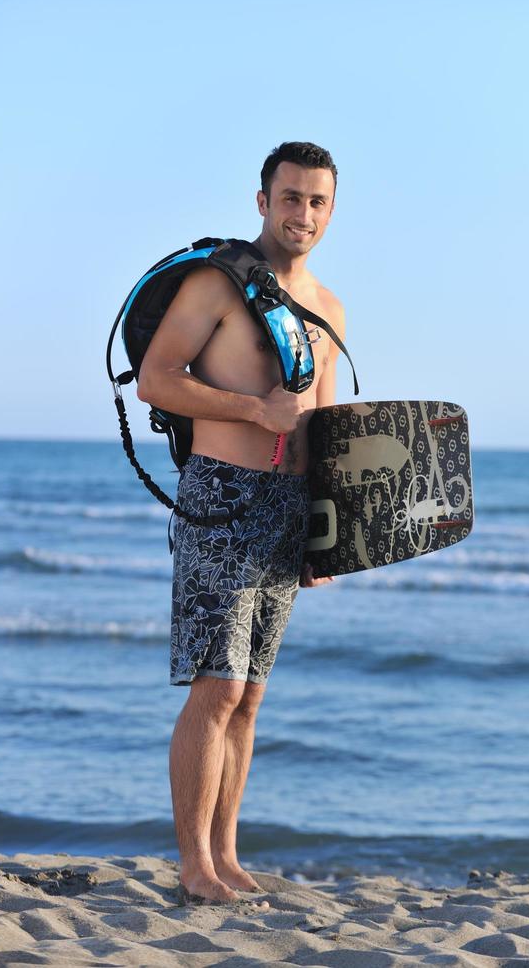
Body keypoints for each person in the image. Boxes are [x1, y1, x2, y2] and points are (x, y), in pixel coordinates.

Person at [136, 142, 345, 905]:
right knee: (216, 687)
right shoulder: (218, 284)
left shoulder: (328, 307)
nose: (303, 214)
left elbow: (324, 429)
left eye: (317, 202)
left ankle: (225, 855)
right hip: (221, 497)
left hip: (289, 512)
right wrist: (256, 409)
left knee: (250, 696)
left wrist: (330, 533)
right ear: (263, 202)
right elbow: (159, 379)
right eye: (290, 198)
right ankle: (193, 865)